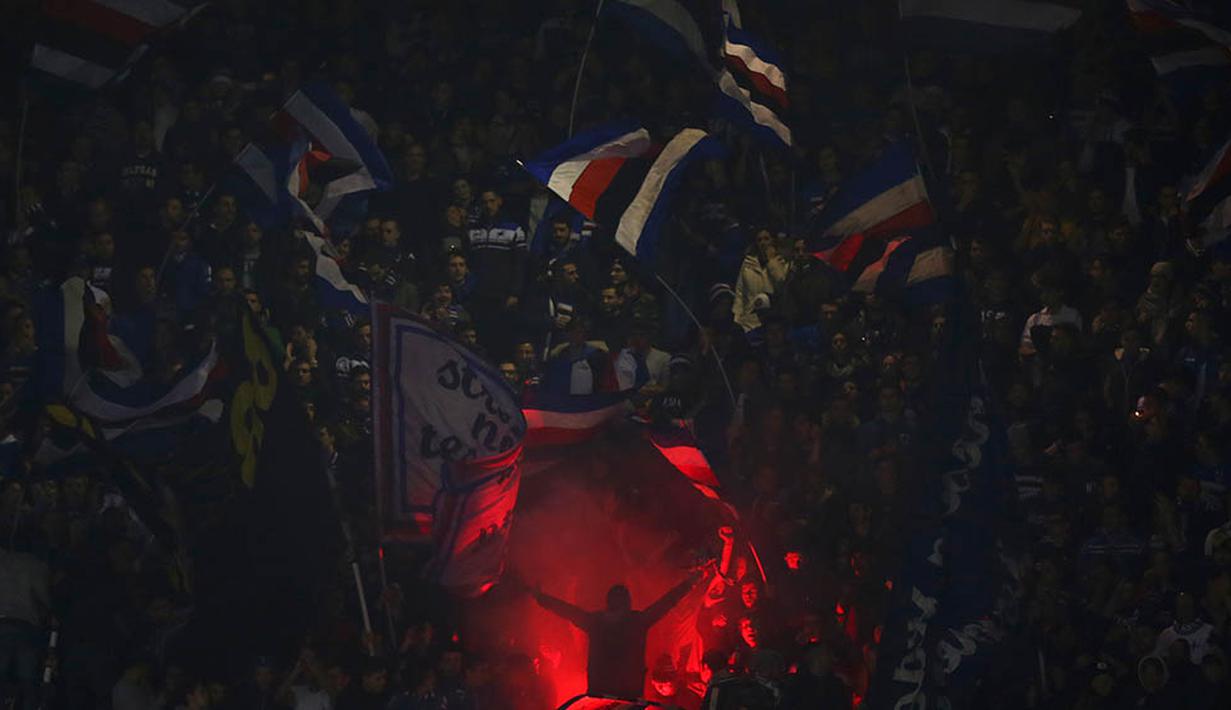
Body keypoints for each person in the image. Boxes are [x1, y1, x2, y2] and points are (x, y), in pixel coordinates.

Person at [534, 572, 704, 697]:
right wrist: (691, 582)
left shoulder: (595, 621)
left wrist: (542, 598)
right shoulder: (637, 621)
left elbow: (566, 610)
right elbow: (667, 602)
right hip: (629, 698)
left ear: (607, 603)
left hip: (599, 696)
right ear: (629, 603)